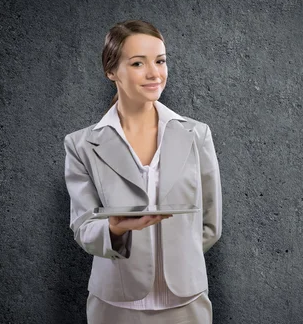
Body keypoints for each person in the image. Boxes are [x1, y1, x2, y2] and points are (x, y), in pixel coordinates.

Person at [63, 19, 222, 323]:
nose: (154, 73)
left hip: (186, 302)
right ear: (112, 72)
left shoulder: (197, 135)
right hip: (114, 304)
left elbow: (209, 223)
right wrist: (116, 229)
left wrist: (179, 261)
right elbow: (83, 228)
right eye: (138, 63)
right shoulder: (81, 145)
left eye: (160, 61)